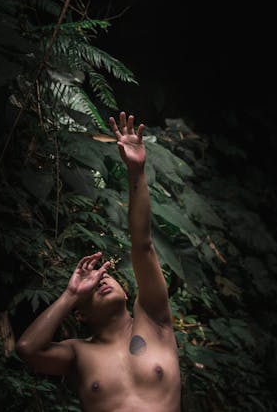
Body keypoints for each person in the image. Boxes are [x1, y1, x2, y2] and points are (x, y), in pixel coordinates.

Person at [15, 111, 182, 411]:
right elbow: (27, 349)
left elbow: (142, 245)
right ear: (79, 315)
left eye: (105, 275)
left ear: (128, 291)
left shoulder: (154, 319)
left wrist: (137, 173)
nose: (101, 280)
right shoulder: (78, 354)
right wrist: (70, 294)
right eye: (90, 287)